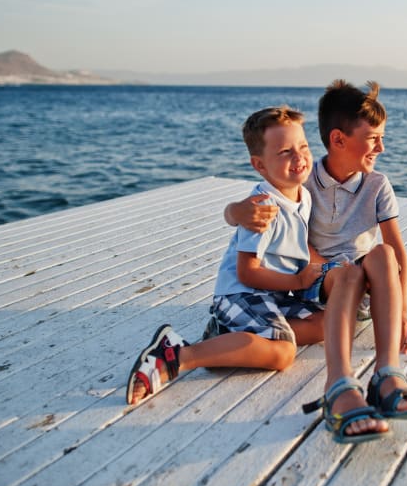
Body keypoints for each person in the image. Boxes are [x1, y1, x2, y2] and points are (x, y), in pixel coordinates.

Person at [226, 80, 407, 444]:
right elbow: (261, 204)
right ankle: (339, 385)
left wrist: (401, 312)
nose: (381, 147)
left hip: (365, 287)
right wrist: (235, 212)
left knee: (383, 254)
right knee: (345, 273)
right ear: (339, 140)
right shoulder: (304, 181)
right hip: (321, 281)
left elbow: (397, 251)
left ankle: (388, 374)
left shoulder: (377, 185)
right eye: (373, 138)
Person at [126, 106, 326, 405]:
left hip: (274, 290)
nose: (299, 157)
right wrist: (298, 281)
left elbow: (297, 242)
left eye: (303, 146)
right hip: (242, 293)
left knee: (325, 324)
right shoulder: (261, 209)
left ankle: (227, 338)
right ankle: (177, 355)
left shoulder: (302, 195)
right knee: (283, 353)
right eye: (284, 152)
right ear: (259, 165)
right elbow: (247, 272)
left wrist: (324, 268)